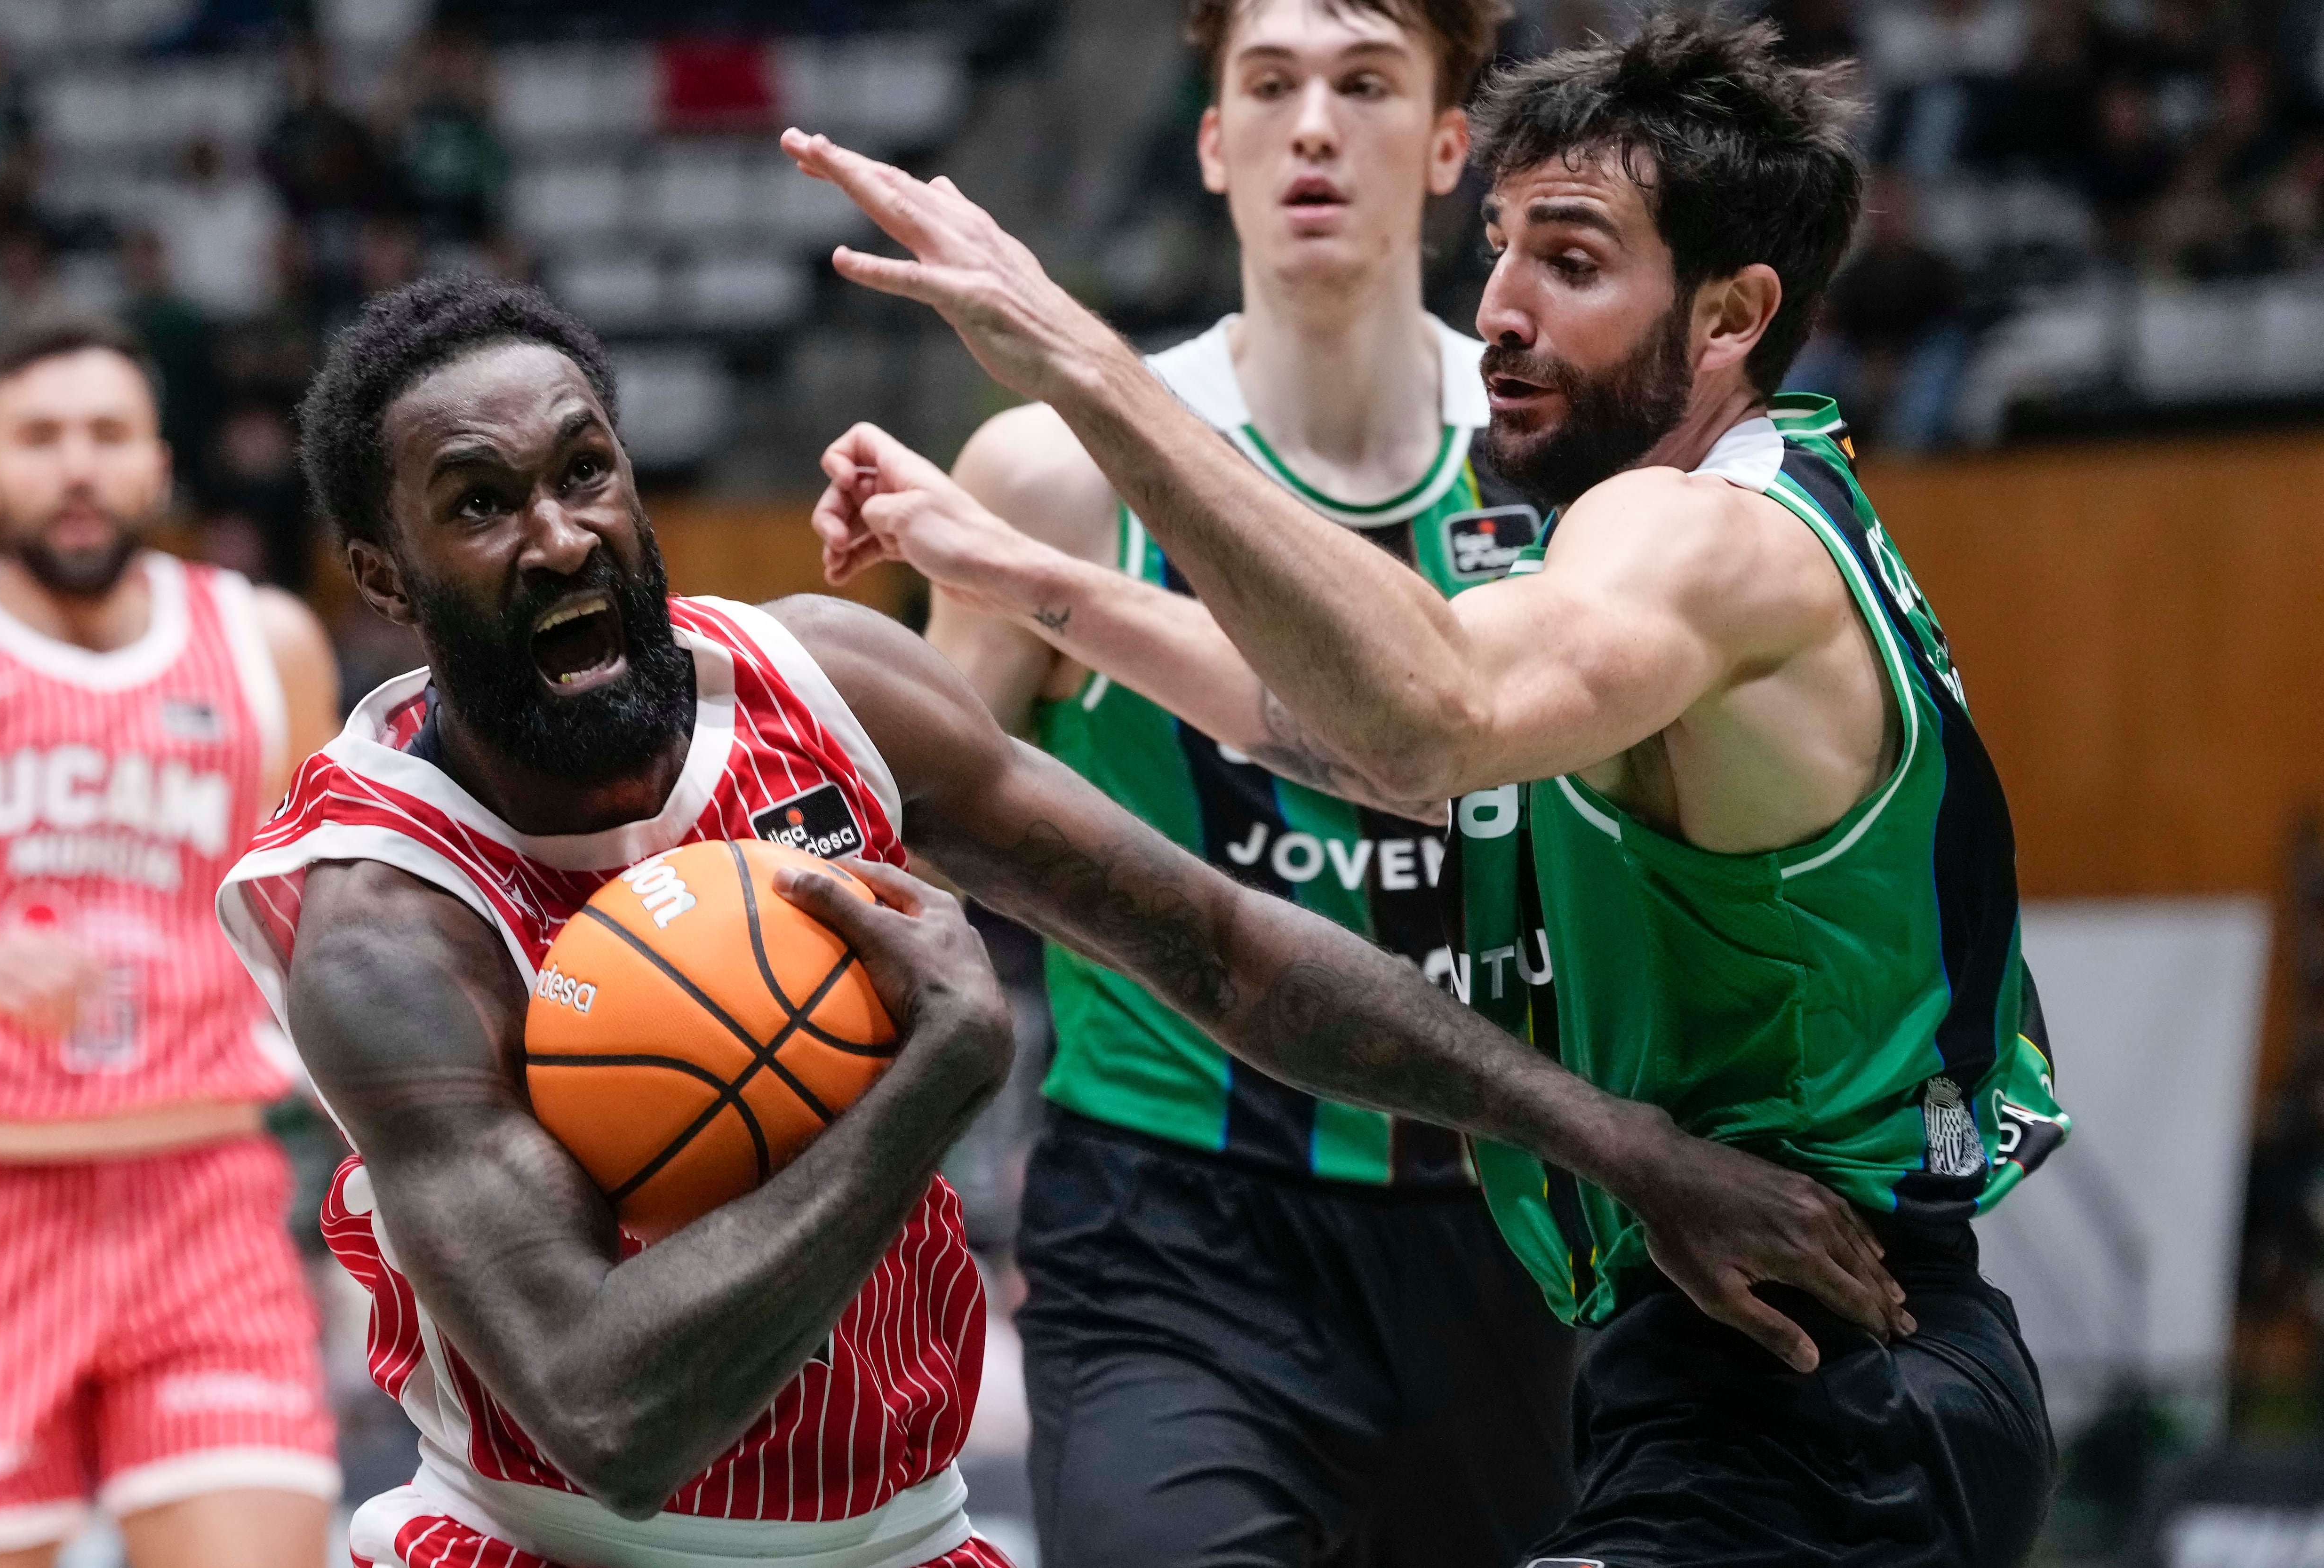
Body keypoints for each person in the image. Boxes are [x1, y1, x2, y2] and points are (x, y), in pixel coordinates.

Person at [216, 275, 1907, 1568]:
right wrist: (927, 1089)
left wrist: (1621, 1143)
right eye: (482, 501)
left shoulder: (827, 679)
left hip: (902, 1535)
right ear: (383, 575)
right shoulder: (385, 914)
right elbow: (603, 1412)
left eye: (587, 470)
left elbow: (1224, 948)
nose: (562, 532)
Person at [787, 13, 2071, 1566]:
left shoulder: (1698, 540)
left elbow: (1426, 726)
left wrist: (1074, 358)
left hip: (1815, 1378)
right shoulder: (1715, 528)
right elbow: (1344, 742)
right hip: (1723, 1356)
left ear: (1734, 316)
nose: (1510, 313)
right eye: (1506, 257)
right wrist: (1049, 583)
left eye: (1576, 265)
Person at [924, 2, 1574, 1563]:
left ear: (1444, 145)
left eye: (1364, 86)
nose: (1313, 127)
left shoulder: (1563, 461)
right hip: (1172, 1233)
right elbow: (906, 842)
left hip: (1519, 1228)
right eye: (1268, 87)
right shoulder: (1051, 476)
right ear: (1212, 144)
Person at [0, 316, 342, 1568]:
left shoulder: (265, 644)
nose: (76, 466)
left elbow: (336, 916)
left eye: (106, 435)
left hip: (204, 1196)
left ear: (157, 468)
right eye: (39, 438)